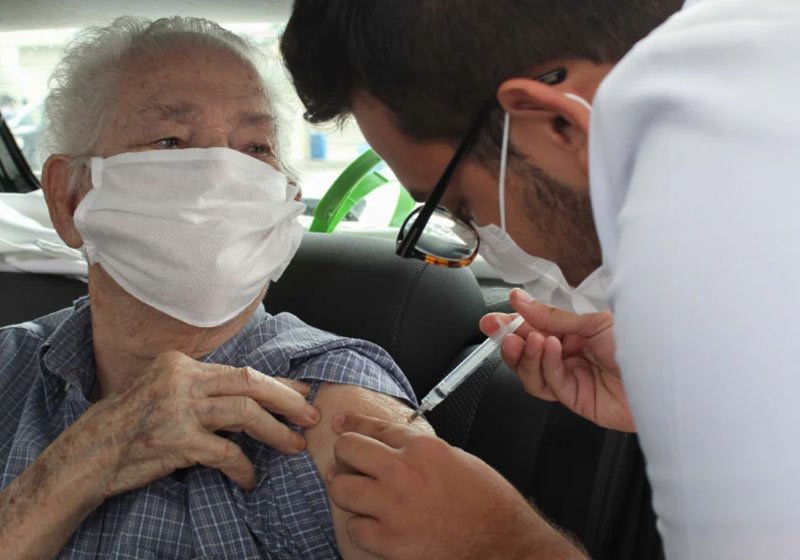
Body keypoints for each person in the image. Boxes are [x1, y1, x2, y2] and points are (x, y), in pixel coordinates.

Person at [282, 1, 799, 559]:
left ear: (557, 124)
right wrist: (680, 394)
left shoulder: (728, 252)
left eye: (461, 205)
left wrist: (500, 543)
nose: (488, 242)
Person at [0, 16, 433, 560]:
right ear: (68, 199)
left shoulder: (327, 400)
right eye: (171, 140)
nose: (222, 177)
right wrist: (77, 463)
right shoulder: (7, 366)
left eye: (255, 148)